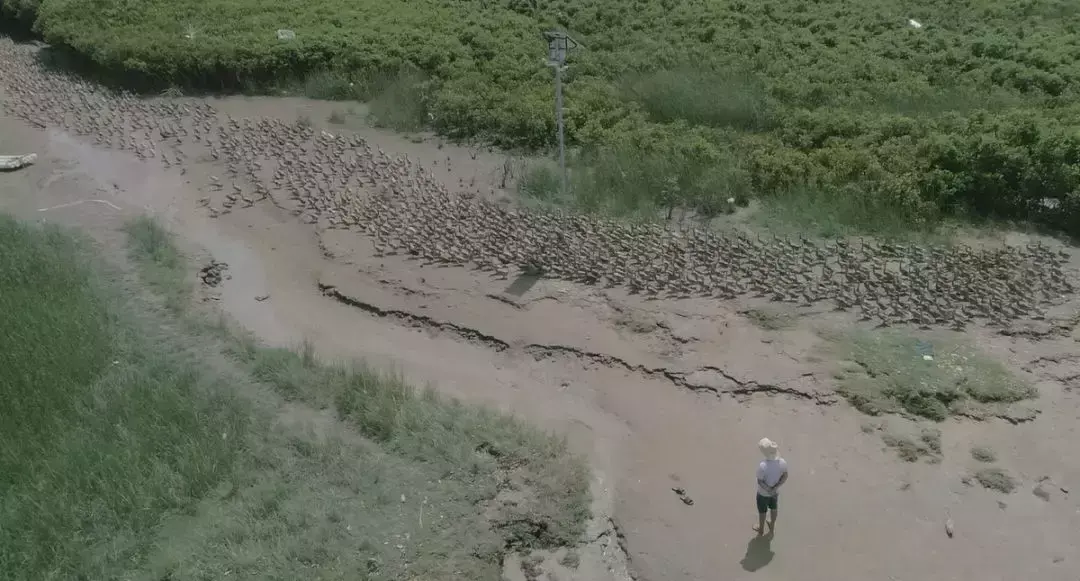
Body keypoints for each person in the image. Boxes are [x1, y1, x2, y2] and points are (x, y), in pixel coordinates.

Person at [755, 437, 788, 534]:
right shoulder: (782, 462)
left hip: (763, 494)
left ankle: (761, 529)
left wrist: (768, 489)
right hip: (775, 493)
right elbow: (785, 476)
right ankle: (772, 525)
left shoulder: (763, 466)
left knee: (762, 511)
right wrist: (775, 488)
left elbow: (760, 481)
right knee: (774, 508)